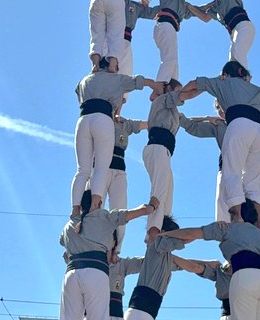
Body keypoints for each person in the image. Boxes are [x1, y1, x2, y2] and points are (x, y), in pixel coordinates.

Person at [56, 190, 157, 320]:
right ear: (98, 202)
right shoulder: (103, 217)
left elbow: (62, 243)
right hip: (95, 270)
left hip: (71, 273)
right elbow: (131, 214)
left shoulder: (70, 225)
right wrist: (151, 207)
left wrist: (77, 216)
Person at [180, 60, 260, 224]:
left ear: (225, 74)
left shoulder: (223, 82)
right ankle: (258, 222)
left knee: (231, 173)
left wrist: (178, 96)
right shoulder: (258, 89)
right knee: (253, 181)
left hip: (238, 125)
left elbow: (196, 83)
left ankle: (237, 216)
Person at [71, 58, 157, 214]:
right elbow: (139, 81)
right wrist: (155, 85)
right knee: (101, 168)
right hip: (102, 119)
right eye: (116, 65)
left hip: (83, 120)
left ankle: (75, 209)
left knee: (82, 170)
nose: (117, 68)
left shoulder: (84, 79)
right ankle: (94, 206)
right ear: (108, 65)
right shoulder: (116, 79)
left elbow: (77, 92)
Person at [189, 0, 256, 67]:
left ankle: (244, 78)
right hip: (234, 31)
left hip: (243, 26)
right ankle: (237, 79)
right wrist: (188, 6)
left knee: (238, 54)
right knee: (232, 62)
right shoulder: (217, 2)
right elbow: (205, 17)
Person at [143, 79, 185, 232]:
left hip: (163, 150)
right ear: (169, 90)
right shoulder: (163, 100)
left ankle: (163, 224)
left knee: (167, 190)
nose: (179, 94)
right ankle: (153, 231)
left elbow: (187, 120)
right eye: (177, 90)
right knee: (159, 190)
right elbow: (180, 97)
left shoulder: (171, 109)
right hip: (158, 147)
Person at [101, 112, 147, 246]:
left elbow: (148, 124)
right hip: (100, 169)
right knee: (94, 208)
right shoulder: (101, 119)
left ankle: (116, 249)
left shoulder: (125, 124)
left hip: (119, 170)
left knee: (120, 209)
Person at [179, 107, 228, 219]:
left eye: (222, 107)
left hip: (244, 167)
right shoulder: (218, 124)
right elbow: (192, 126)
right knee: (223, 204)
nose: (220, 111)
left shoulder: (242, 121)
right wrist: (206, 118)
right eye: (218, 108)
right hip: (225, 166)